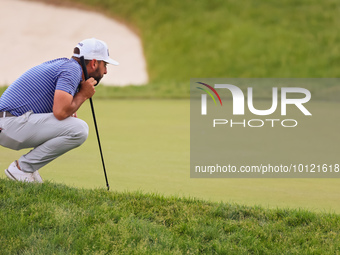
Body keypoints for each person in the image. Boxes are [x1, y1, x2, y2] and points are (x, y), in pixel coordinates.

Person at [0, 38, 119, 183]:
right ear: (94, 63)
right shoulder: (73, 69)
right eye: (104, 64)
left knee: (72, 124)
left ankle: (28, 168)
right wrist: (82, 95)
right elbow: (60, 112)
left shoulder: (66, 66)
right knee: (79, 129)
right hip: (9, 124)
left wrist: (76, 99)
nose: (105, 71)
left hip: (10, 124)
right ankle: (21, 168)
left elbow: (63, 113)